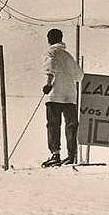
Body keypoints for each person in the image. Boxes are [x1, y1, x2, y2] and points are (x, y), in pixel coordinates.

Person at [40, 28, 84, 167]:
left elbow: (50, 69)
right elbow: (79, 75)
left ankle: (55, 154)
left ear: (49, 39)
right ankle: (71, 155)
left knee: (53, 125)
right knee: (71, 126)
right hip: (70, 95)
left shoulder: (50, 52)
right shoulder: (68, 55)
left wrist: (48, 85)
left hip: (55, 95)